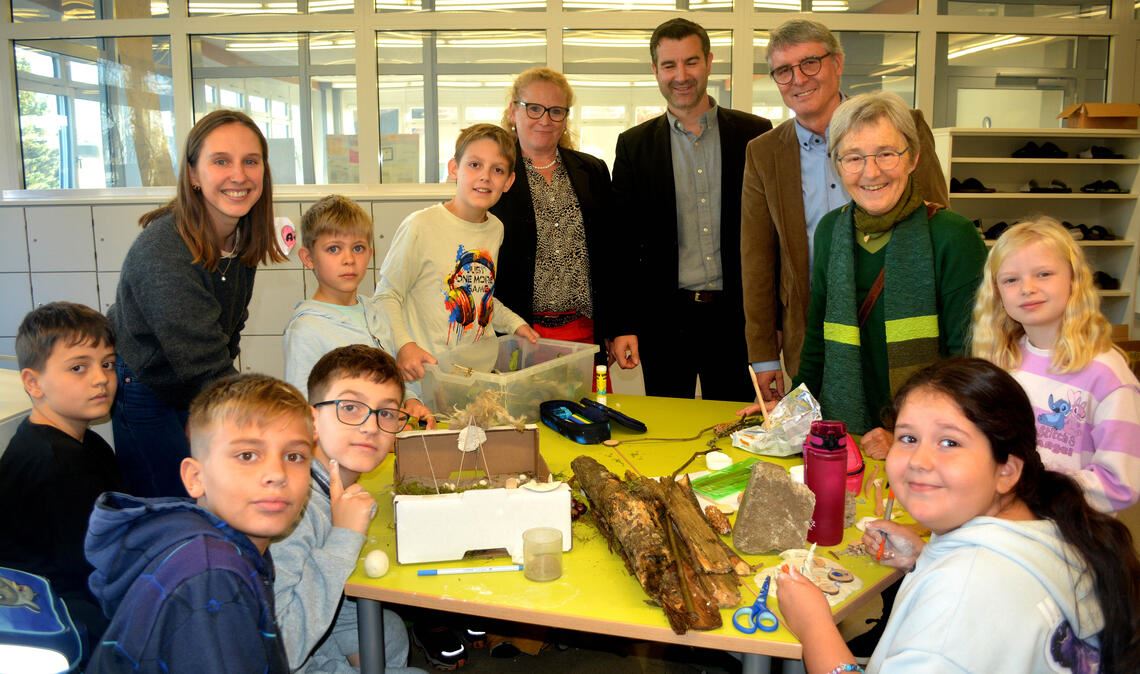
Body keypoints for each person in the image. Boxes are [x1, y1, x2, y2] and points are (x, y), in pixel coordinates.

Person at [777, 358, 1140, 673]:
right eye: (907, 438)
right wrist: (927, 556)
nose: (920, 461)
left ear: (1007, 470)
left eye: (950, 442)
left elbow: (969, 607)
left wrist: (815, 627)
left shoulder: (962, 601)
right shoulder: (1056, 529)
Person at [740, 19, 948, 421]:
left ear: (837, 62)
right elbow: (757, 260)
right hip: (815, 332)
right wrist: (763, 356)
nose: (798, 79)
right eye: (784, 70)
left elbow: (935, 218)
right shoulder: (763, 153)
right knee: (829, 442)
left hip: (901, 321)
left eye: (810, 63)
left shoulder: (904, 126)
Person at [791, 91, 984, 449]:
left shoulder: (953, 236)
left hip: (930, 440)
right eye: (854, 157)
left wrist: (908, 436)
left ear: (913, 158)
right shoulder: (832, 229)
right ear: (838, 165)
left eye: (886, 154)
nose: (871, 171)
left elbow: (968, 364)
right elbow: (817, 339)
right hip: (845, 432)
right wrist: (790, 410)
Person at [85, 374, 313, 673]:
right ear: (195, 478)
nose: (277, 473)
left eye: (294, 456)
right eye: (247, 455)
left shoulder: (225, 547)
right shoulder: (212, 575)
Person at [109, 108, 284, 497]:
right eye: (221, 161)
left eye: (250, 161)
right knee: (172, 508)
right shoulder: (164, 251)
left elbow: (228, 332)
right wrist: (277, 419)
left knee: (210, 496)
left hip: (193, 381)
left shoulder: (241, 236)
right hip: (147, 387)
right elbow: (204, 360)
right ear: (193, 175)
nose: (239, 175)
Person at [610, 18, 772, 402]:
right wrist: (623, 324)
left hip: (737, 318)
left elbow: (771, 234)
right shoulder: (634, 146)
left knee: (738, 428)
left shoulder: (755, 134)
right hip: (665, 320)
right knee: (670, 429)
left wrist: (773, 321)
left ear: (709, 62)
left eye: (691, 62)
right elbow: (622, 242)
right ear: (655, 70)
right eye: (669, 65)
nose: (680, 75)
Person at [971, 217, 1140, 512]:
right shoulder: (1002, 361)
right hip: (1005, 520)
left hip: (1070, 532)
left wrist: (1030, 492)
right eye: (1011, 279)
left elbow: (1120, 484)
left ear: (1074, 280)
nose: (1027, 288)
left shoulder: (1107, 375)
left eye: (1044, 274)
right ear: (997, 293)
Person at [273, 346, 423, 673]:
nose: (370, 427)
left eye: (386, 412)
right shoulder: (292, 509)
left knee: (390, 632)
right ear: (311, 420)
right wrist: (344, 537)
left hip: (315, 631)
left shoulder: (327, 481)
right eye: (351, 407)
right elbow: (278, 648)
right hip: (281, 656)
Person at [0, 302, 121, 658]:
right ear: (33, 383)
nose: (101, 378)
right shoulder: (54, 463)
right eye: (79, 368)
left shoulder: (85, 443)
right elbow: (89, 566)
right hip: (55, 618)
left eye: (108, 364)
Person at [375, 123, 539, 385]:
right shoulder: (421, 225)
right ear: (454, 169)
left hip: (479, 379)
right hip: (430, 377)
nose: (485, 176)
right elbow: (386, 295)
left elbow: (480, 297)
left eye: (497, 170)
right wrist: (404, 346)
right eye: (475, 165)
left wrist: (514, 323)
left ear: (508, 181)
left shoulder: (496, 229)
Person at [283, 194, 434, 426]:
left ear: (370, 255)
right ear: (308, 258)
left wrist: (410, 402)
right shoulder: (306, 330)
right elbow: (305, 414)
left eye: (358, 248)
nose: (349, 259)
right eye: (333, 249)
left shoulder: (376, 312)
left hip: (386, 441)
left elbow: (396, 379)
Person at [491, 67, 614, 347]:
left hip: (584, 332)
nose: (545, 120)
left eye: (556, 111)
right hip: (519, 332)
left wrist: (614, 327)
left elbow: (610, 254)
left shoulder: (592, 171)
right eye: (533, 108)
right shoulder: (496, 173)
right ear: (513, 112)